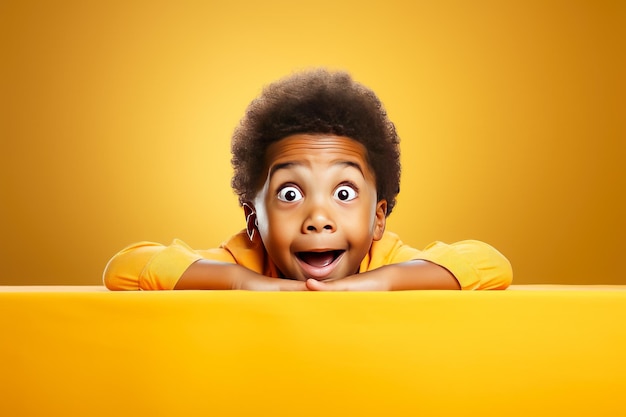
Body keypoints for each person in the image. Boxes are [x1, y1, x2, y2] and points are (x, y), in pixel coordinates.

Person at [103, 68, 512, 291]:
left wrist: (381, 283)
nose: (318, 217)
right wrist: (242, 283)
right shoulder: (244, 261)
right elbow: (126, 267)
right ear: (253, 221)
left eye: (345, 192)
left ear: (378, 219)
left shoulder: (385, 261)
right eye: (290, 192)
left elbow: (490, 264)